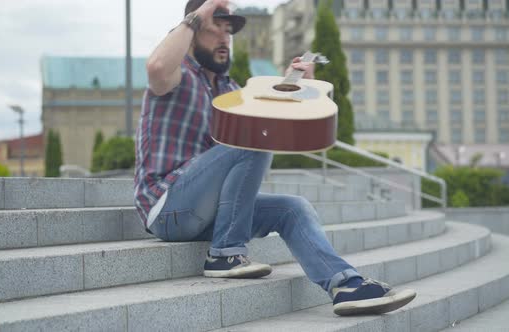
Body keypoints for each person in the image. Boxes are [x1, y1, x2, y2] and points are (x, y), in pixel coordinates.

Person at [134, 0, 416, 316]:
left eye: (229, 31)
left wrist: (295, 86)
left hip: (208, 213)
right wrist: (197, 16)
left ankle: (345, 285)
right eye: (216, 28)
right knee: (254, 129)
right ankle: (225, 253)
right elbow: (156, 68)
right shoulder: (177, 74)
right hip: (167, 207)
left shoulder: (231, 89)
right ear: (194, 29)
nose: (225, 38)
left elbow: (276, 130)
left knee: (293, 208)